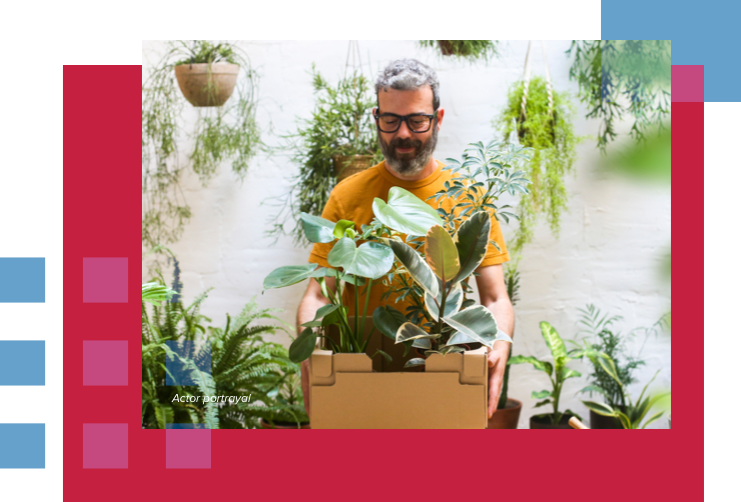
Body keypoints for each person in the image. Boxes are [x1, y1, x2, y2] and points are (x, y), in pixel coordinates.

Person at [296, 58, 514, 420]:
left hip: (443, 374)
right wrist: (308, 346)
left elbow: (495, 297)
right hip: (358, 375)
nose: (402, 134)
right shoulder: (348, 195)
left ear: (438, 119)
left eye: (416, 120)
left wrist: (499, 346)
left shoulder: (466, 197)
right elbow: (317, 293)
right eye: (390, 120)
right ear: (376, 118)